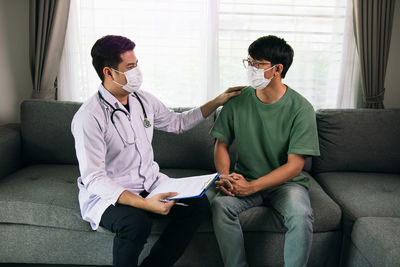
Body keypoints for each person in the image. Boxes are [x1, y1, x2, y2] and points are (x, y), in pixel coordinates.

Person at [71, 35, 241, 267]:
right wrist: (145, 204)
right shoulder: (89, 117)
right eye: (130, 67)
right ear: (108, 72)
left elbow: (178, 123)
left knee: (198, 206)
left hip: (150, 183)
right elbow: (95, 179)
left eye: (136, 64)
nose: (137, 71)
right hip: (112, 194)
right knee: (136, 223)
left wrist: (218, 100)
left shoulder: (142, 100)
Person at [210, 35, 320, 267]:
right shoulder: (237, 101)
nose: (250, 69)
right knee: (220, 205)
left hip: (286, 184)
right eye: (248, 62)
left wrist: (252, 187)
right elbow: (221, 145)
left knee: (301, 215)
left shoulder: (301, 109)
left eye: (257, 64)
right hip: (244, 177)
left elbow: (295, 166)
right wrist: (225, 176)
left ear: (277, 69)